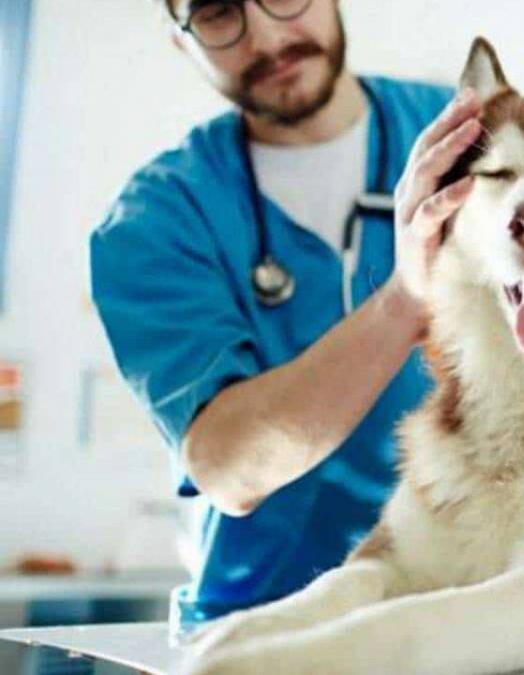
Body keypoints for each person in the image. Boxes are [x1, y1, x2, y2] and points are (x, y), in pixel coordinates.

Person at [88, 0, 481, 636]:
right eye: (217, 12)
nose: (267, 37)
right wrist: (407, 296)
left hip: (469, 611)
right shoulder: (158, 218)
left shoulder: (465, 138)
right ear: (180, 40)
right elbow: (229, 467)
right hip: (266, 631)